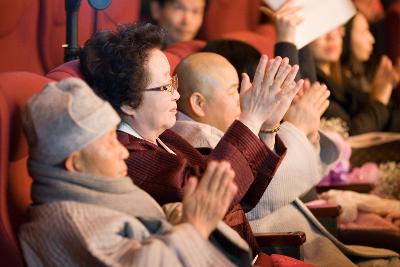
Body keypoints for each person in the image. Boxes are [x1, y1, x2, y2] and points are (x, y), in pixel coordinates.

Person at [80, 22, 304, 257]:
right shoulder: (127, 156)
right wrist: (252, 116)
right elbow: (210, 193)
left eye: (173, 82)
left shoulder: (166, 136)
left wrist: (267, 128)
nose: (177, 94)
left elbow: (242, 198)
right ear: (128, 103)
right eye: (166, 86)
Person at [172, 51, 400, 267]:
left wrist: (275, 127)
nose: (243, 101)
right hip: (284, 248)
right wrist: (297, 128)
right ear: (199, 104)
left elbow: (258, 176)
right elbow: (257, 197)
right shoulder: (195, 142)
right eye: (233, 91)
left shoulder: (219, 132)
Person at [18, 78, 254, 267]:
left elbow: (149, 227)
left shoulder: (96, 191)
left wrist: (179, 214)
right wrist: (195, 226)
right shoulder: (69, 223)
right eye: (110, 143)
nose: (123, 151)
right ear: (76, 163)